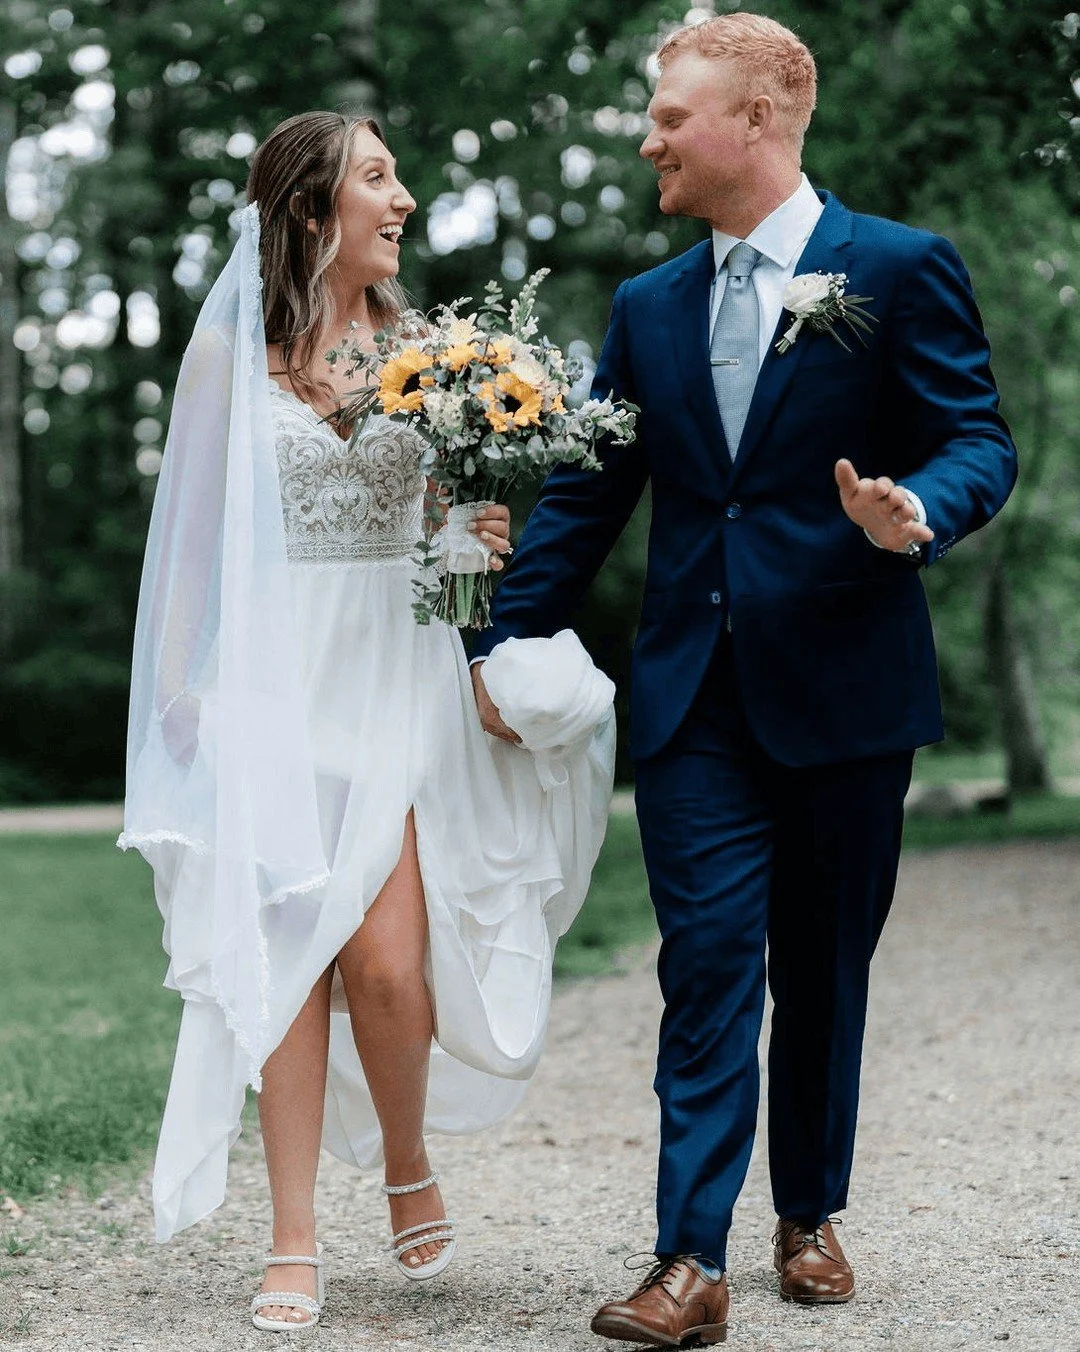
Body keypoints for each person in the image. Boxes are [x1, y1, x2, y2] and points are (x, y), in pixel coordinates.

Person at [471, 13, 1017, 1345]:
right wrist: (496, 641)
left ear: (756, 124)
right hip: (692, 697)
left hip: (845, 684)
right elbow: (593, 495)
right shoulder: (648, 306)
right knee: (708, 960)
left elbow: (976, 438)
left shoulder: (894, 267)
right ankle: (689, 1260)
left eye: (669, 114)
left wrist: (920, 509)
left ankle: (809, 1207)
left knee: (824, 967)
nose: (649, 136)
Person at [119, 111, 615, 1332]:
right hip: (274, 692)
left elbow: (445, 562)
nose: (404, 200)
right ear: (308, 210)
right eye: (379, 180)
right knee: (286, 965)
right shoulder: (227, 358)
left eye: (400, 177)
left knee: (390, 963)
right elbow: (187, 556)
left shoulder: (436, 353)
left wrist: (474, 544)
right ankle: (293, 1236)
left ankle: (406, 1157)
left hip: (397, 681)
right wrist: (183, 706)